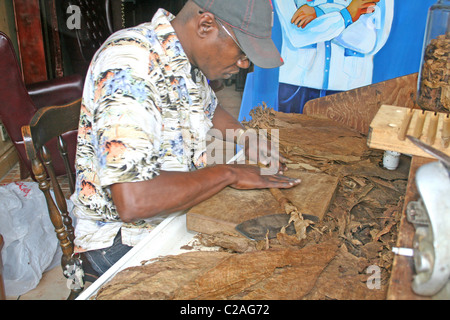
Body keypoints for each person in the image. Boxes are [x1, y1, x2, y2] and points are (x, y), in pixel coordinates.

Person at [70, 0, 300, 276]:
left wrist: (246, 137)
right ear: (205, 25)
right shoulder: (129, 65)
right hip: (122, 242)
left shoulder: (182, 58)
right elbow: (135, 200)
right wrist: (228, 174)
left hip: (169, 217)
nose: (244, 64)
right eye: (242, 51)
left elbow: (210, 109)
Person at [273, 0, 393, 113]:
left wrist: (320, 13)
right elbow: (297, 35)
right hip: (296, 86)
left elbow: (369, 41)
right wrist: (349, 13)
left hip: (352, 88)